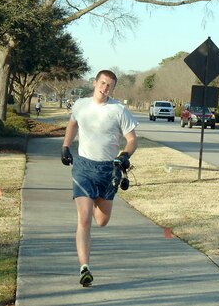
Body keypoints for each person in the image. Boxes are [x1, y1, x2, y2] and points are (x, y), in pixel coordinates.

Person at [60, 69, 138, 287]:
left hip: (108, 170)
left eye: (109, 86)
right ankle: (85, 268)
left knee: (101, 221)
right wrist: (65, 146)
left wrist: (124, 156)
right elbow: (73, 123)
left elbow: (132, 140)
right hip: (83, 167)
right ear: (94, 83)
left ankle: (96, 200)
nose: (105, 88)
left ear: (112, 89)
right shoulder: (81, 105)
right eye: (102, 83)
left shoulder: (118, 110)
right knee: (84, 218)